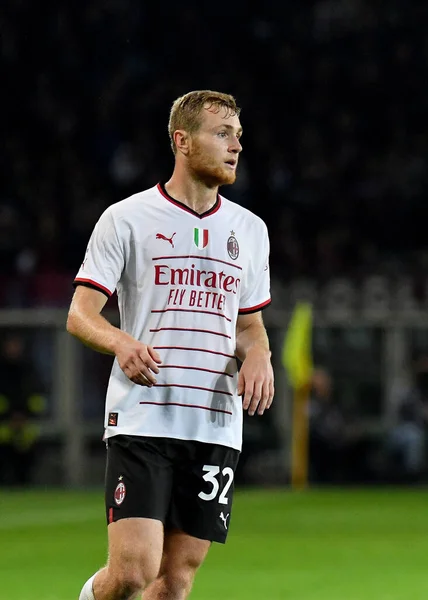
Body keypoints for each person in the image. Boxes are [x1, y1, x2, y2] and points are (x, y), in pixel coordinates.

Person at [67, 90, 274, 600]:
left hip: (216, 422)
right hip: (145, 415)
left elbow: (249, 326)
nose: (236, 146)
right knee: (133, 573)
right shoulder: (128, 218)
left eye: (239, 136)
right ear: (181, 141)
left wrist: (262, 356)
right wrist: (121, 343)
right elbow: (80, 313)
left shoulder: (250, 230)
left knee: (176, 580)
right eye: (222, 133)